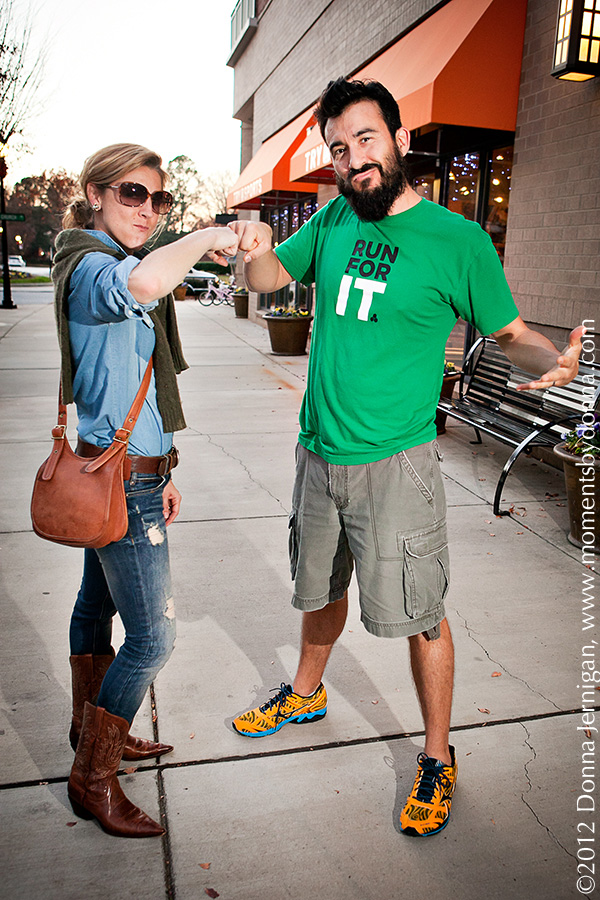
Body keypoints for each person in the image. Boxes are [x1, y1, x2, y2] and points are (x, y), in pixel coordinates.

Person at [226, 79, 584, 837]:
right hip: (318, 452)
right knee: (318, 590)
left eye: (365, 138)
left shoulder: (459, 242)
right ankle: (307, 691)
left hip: (399, 467)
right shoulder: (327, 222)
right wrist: (252, 254)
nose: (352, 157)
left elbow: (511, 331)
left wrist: (549, 361)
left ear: (398, 137)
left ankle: (436, 755)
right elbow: (268, 279)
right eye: (337, 148)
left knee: (422, 614)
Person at [54, 143, 238, 838]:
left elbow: (141, 392)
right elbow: (140, 287)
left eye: (159, 200)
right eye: (133, 194)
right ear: (96, 194)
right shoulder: (95, 268)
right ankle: (93, 779)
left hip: (125, 476)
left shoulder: (112, 261)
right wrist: (204, 234)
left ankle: (90, 731)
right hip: (119, 487)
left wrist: (166, 469)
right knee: (154, 639)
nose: (148, 210)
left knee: (92, 608)